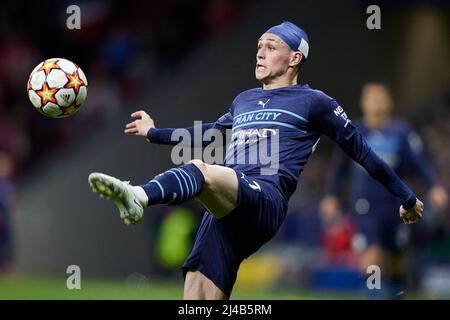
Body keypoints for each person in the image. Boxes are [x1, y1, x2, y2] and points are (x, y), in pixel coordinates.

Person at [88, 22, 424, 300]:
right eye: (259, 44)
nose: (260, 51)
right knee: (197, 298)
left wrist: (407, 198)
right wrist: (154, 133)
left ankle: (139, 197)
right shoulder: (244, 100)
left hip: (264, 197)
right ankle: (141, 198)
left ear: (294, 58)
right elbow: (210, 133)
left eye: (271, 46)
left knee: (201, 170)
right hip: (227, 205)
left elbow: (364, 153)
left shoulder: (314, 102)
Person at [319, 83, 448, 298]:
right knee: (373, 256)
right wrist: (331, 196)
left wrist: (433, 187)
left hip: (397, 205)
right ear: (363, 103)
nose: (376, 102)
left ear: (389, 103)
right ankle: (373, 294)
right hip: (365, 204)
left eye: (380, 98)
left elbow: (418, 164)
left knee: (396, 262)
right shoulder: (353, 130)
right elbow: (339, 168)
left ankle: (394, 293)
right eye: (372, 98)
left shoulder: (401, 132)